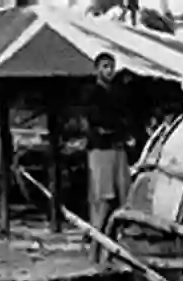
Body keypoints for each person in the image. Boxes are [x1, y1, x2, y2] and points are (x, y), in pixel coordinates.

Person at [83, 51, 134, 262]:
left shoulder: (118, 94)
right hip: (101, 150)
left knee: (124, 199)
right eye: (105, 66)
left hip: (118, 149)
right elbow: (97, 123)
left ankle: (114, 253)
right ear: (97, 69)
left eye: (111, 66)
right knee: (103, 200)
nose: (109, 70)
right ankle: (95, 252)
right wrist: (115, 130)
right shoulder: (91, 94)